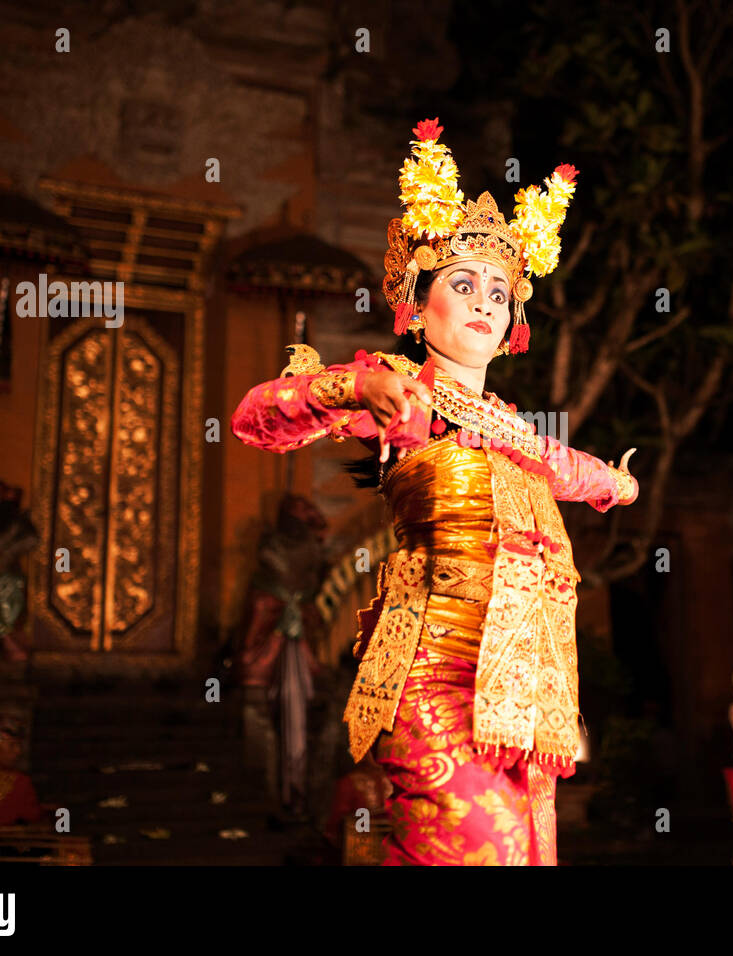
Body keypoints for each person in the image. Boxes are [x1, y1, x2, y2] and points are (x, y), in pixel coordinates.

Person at [231, 117, 640, 865]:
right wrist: (357, 382)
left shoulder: (515, 430)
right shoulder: (404, 397)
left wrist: (616, 482)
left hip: (523, 689)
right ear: (419, 306)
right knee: (471, 847)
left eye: (497, 290)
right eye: (461, 284)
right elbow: (255, 416)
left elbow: (567, 466)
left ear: (514, 318)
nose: (484, 301)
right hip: (437, 672)